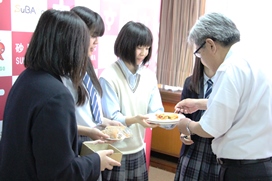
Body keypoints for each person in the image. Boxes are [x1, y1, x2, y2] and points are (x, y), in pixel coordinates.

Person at [0, 9, 120, 181]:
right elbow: (61, 173)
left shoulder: (27, 79)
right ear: (69, 46)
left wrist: (84, 146)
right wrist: (95, 162)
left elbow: (47, 145)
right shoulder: (57, 95)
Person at [175, 12, 272, 180]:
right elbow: (241, 103)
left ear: (211, 45)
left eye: (198, 54)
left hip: (242, 170)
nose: (201, 60)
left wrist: (187, 124)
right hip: (261, 164)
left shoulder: (229, 68)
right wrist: (199, 104)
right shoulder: (252, 58)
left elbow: (211, 127)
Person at [99, 21, 163, 181]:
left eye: (147, 48)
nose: (144, 53)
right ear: (127, 45)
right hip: (115, 151)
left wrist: (160, 119)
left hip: (138, 148)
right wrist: (136, 120)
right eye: (139, 47)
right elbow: (112, 118)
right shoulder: (109, 76)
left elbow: (157, 110)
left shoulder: (149, 76)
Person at [61, 6, 121, 143]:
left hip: (92, 139)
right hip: (74, 141)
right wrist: (89, 131)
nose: (97, 42)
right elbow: (59, 122)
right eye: (93, 35)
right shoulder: (60, 72)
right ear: (75, 33)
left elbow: (87, 114)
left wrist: (106, 123)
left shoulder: (85, 65)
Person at [174, 57, 220, 181]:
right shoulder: (190, 82)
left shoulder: (226, 83)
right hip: (194, 145)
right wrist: (184, 133)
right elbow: (182, 115)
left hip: (217, 149)